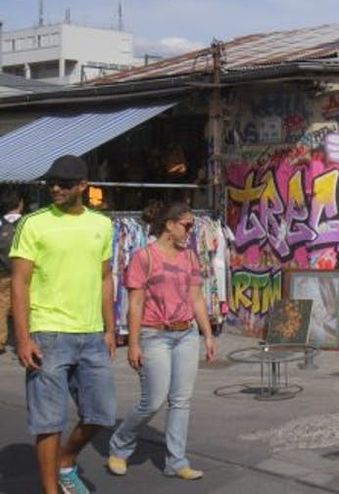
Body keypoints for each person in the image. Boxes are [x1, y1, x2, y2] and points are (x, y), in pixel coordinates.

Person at [10, 155, 115, 494]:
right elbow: (19, 282)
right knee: (48, 421)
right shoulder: (34, 223)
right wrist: (22, 338)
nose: (56, 188)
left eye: (65, 183)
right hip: (48, 333)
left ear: (83, 186)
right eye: (51, 182)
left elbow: (106, 278)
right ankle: (51, 490)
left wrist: (111, 329)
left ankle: (66, 460)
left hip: (91, 334)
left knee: (101, 414)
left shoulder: (101, 225)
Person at [107, 201, 216, 480]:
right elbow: (135, 303)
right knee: (152, 400)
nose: (191, 230)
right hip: (154, 334)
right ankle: (120, 444)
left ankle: (176, 461)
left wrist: (207, 334)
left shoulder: (190, 257)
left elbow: (196, 298)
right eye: (187, 225)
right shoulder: (144, 257)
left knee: (181, 401)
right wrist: (133, 343)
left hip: (186, 334)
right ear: (169, 225)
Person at [0, 186, 25, 352]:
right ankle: (22, 341)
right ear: (20, 203)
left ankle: (0, 341)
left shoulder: (0, 222)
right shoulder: (26, 222)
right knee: (22, 306)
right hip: (23, 273)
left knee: (1, 307)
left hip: (2, 273)